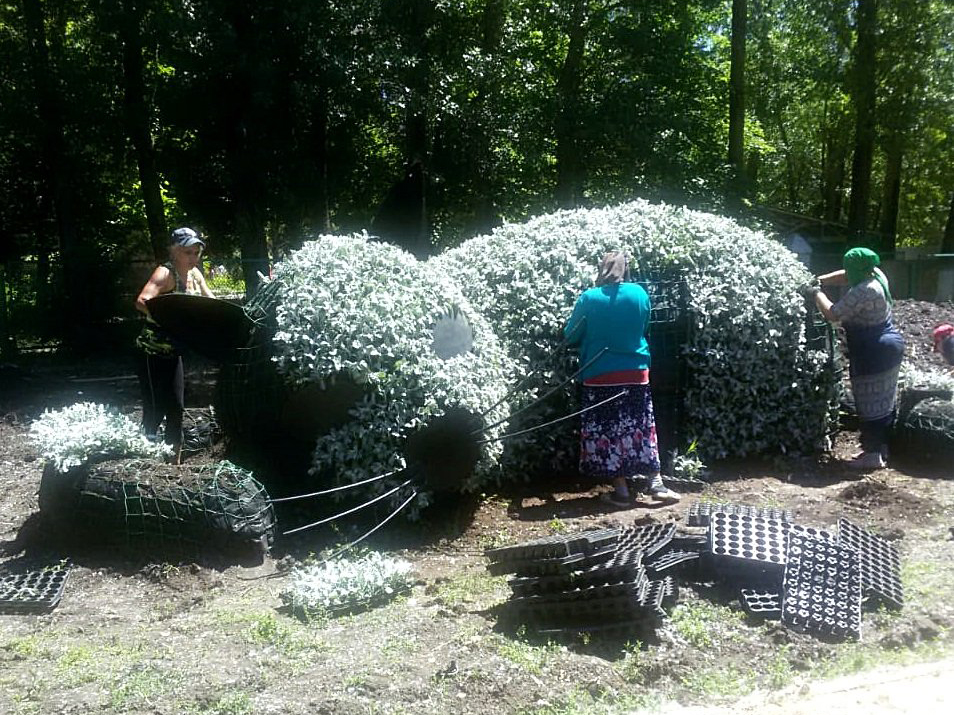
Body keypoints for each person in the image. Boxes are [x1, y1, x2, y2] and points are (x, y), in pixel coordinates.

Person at [564, 251, 680, 506]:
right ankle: (656, 483)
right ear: (626, 270)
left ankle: (622, 493)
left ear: (601, 270)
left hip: (600, 375)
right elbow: (644, 327)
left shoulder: (589, 298)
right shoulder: (640, 294)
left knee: (608, 432)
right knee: (641, 428)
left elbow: (570, 334)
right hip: (636, 373)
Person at [808, 247, 904, 470]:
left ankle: (872, 455)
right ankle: (881, 448)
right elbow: (845, 274)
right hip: (887, 345)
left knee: (869, 402)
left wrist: (815, 293)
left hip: (874, 349)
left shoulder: (865, 290)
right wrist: (820, 279)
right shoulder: (876, 274)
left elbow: (833, 313)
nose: (848, 273)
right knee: (883, 401)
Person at [134, 227, 215, 461]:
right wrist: (173, 319)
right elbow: (142, 301)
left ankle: (174, 466)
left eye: (196, 252)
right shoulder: (165, 274)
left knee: (177, 409)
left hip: (175, 352)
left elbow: (212, 304)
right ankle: (145, 461)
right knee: (154, 409)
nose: (193, 257)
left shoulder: (195, 275)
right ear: (175, 252)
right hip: (151, 352)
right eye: (188, 252)